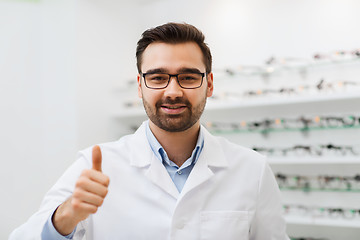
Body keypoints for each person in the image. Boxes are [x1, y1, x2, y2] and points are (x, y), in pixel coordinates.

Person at [10, 22, 289, 240]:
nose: (173, 91)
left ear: (210, 84)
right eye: (157, 77)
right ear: (140, 85)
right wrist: (65, 217)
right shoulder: (96, 167)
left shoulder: (253, 170)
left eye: (188, 77)